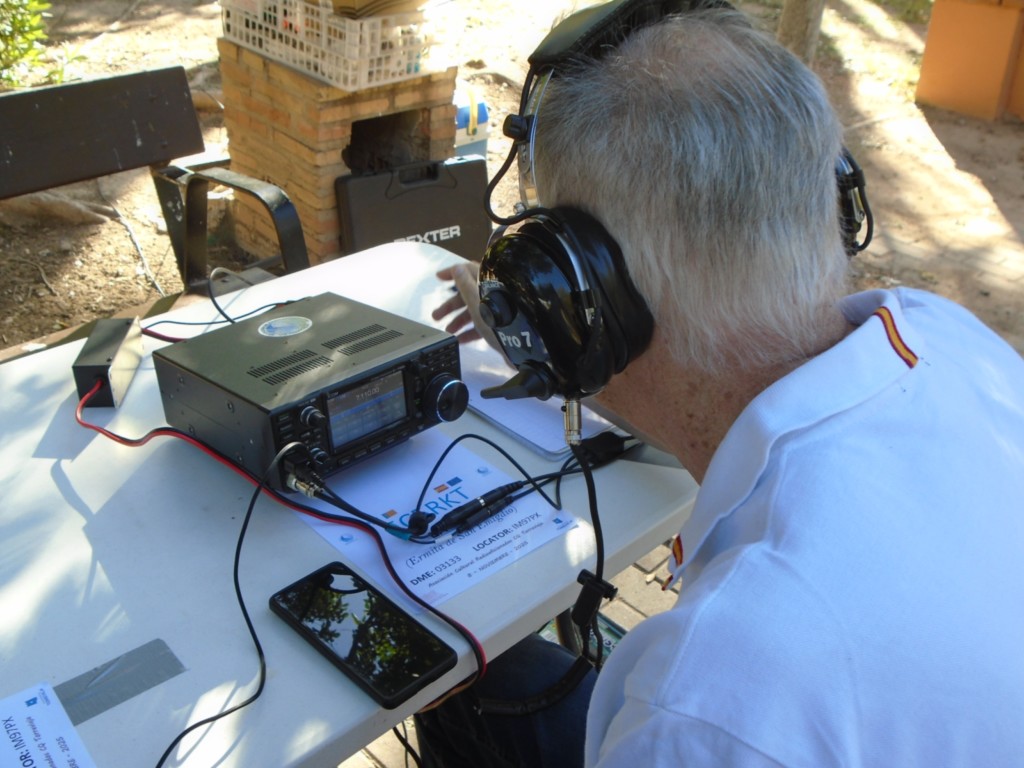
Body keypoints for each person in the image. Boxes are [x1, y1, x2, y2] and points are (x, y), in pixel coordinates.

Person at [419, 3, 1024, 767]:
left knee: (465, 682)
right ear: (830, 195)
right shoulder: (948, 336)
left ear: (593, 311)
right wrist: (537, 341)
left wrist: (537, 334)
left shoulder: (709, 705)